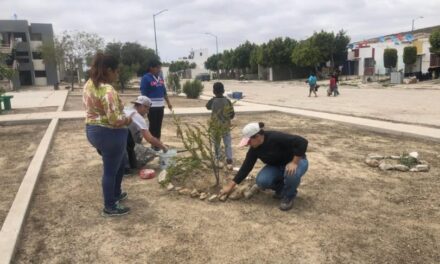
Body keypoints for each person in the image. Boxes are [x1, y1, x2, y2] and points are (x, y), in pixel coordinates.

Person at [84, 53, 133, 217]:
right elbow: (114, 120)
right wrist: (127, 120)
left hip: (93, 129)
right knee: (111, 170)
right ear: (109, 70)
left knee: (119, 164)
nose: (117, 75)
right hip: (109, 133)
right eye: (116, 71)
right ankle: (110, 206)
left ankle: (116, 193)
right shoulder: (108, 90)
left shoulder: (89, 84)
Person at [220, 122, 309, 211]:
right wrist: (230, 186)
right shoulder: (254, 149)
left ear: (258, 136)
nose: (248, 144)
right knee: (262, 181)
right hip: (276, 166)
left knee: (291, 174)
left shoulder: (275, 137)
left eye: (249, 141)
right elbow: (246, 167)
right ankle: (283, 190)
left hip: (297, 161)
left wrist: (294, 162)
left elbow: (302, 142)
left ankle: (289, 197)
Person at [124, 95, 168, 170]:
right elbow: (150, 139)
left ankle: (122, 161)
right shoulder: (137, 116)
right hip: (124, 145)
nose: (147, 112)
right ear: (142, 106)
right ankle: (126, 166)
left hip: (108, 144)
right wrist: (163, 147)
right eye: (147, 109)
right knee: (150, 153)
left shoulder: (126, 110)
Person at [140, 59, 172, 150]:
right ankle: (154, 144)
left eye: (160, 67)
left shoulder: (160, 78)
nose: (159, 69)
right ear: (151, 68)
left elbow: (164, 91)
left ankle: (158, 143)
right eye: (157, 67)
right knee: (153, 126)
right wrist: (144, 107)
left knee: (158, 126)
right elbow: (143, 94)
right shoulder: (146, 78)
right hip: (152, 107)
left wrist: (168, 103)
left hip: (160, 106)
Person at [206, 82, 235, 170]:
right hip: (225, 126)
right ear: (223, 91)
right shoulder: (227, 101)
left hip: (215, 127)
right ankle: (229, 161)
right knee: (227, 144)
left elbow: (207, 106)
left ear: (213, 91)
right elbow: (232, 115)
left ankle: (218, 160)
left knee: (217, 144)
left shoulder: (213, 101)